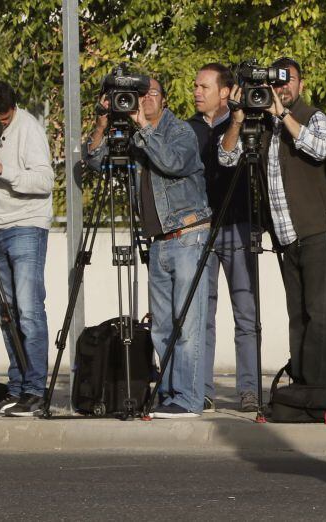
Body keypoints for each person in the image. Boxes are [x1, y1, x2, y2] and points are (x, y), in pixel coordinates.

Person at [86, 77, 211, 418]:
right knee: (161, 327)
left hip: (188, 235)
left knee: (187, 322)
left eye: (150, 94)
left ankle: (188, 399)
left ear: (164, 99)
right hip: (158, 242)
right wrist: (101, 123)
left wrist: (142, 126)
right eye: (137, 95)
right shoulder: (133, 136)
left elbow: (172, 163)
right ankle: (170, 394)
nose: (143, 101)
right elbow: (98, 163)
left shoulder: (179, 131)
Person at [219, 57, 326, 386]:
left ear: (301, 84)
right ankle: (302, 385)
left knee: (320, 315)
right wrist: (235, 120)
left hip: (321, 229)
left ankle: (318, 392)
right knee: (298, 316)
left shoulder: (311, 116)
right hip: (286, 236)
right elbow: (226, 157)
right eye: (277, 83)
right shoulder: (258, 121)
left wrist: (282, 114)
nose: (282, 88)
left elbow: (320, 149)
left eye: (288, 81)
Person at [0, 81, 55, 417]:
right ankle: (17, 386)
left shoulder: (30, 129)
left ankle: (35, 390)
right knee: (7, 313)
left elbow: (45, 181)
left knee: (29, 310)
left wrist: (3, 171)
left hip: (25, 225)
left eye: (4, 119)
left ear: (13, 109)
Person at [188, 63, 259, 412]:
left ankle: (250, 390)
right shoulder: (187, 129)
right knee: (203, 314)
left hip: (239, 226)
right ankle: (202, 389)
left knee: (246, 314)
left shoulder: (245, 121)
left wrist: (238, 120)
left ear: (225, 91)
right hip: (202, 230)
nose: (197, 92)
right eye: (195, 86)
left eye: (204, 86)